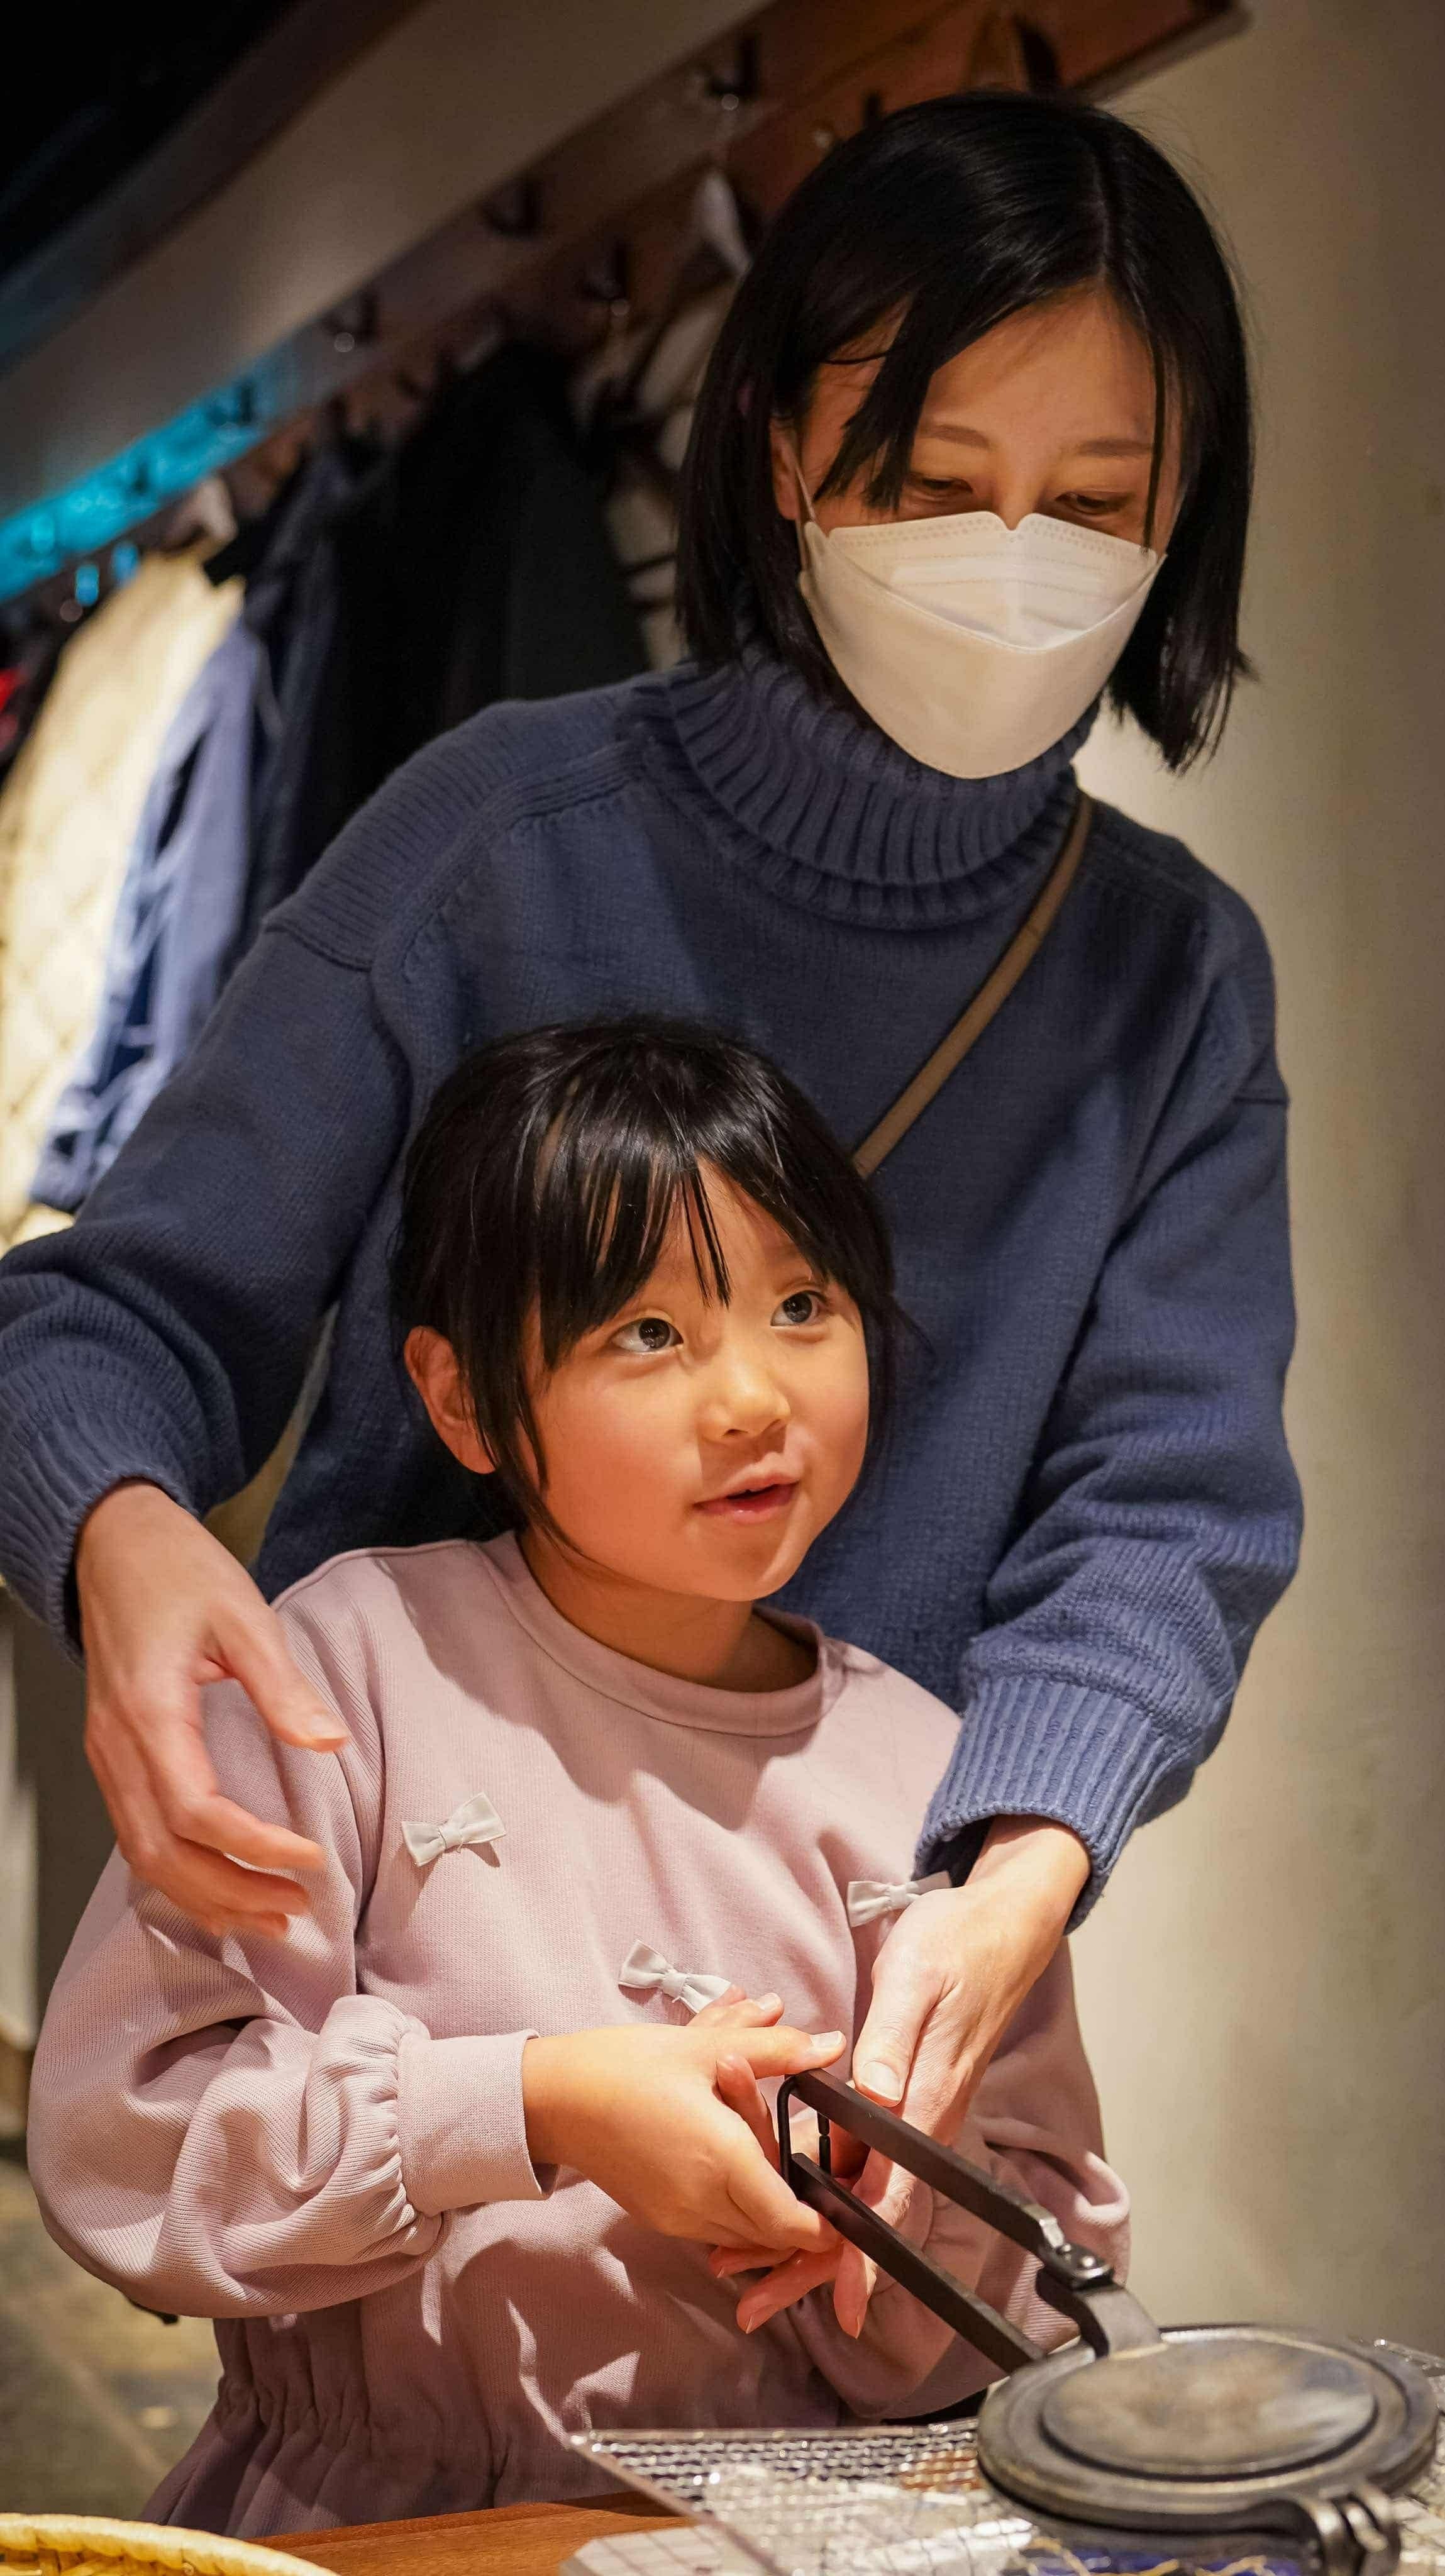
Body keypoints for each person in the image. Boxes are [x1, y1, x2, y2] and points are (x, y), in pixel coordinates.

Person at [0, 91, 1300, 2256]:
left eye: (1093, 502)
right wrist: (122, 1546)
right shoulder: (500, 835)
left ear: (1185, 511)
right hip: (429, 2021)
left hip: (842, 1999)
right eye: (932, 480)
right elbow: (111, 1307)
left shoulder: (1169, 974)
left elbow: (1170, 1497)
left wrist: (1020, 1867)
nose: (1013, 554)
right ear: (781, 447)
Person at [26, 1021, 1129, 2534]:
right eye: (650, 1331)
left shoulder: (931, 1771)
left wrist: (882, 2213)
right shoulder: (344, 1671)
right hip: (369, 2527)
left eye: (802, 1303)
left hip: (767, 2534)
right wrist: (534, 2102)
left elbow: (1048, 2276)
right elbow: (129, 2141)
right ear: (465, 1398)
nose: (753, 1396)